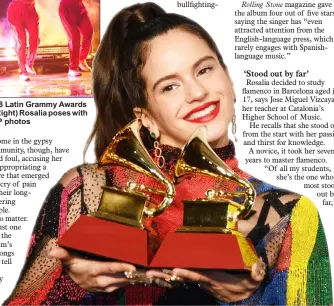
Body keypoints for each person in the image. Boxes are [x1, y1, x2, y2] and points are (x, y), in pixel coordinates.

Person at [5, 2, 332, 305]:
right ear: (144, 116)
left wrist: (246, 299)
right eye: (169, 86)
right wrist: (72, 286)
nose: (198, 92)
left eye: (204, 70)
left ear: (229, 79)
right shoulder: (84, 192)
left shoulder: (290, 216)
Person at [6, 0, 40, 81]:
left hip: (30, 9)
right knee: (21, 42)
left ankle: (29, 64)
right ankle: (23, 71)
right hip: (15, 9)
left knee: (35, 38)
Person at [58, 0, 93, 77]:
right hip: (66, 8)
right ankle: (72, 68)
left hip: (78, 7)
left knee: (88, 31)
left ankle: (81, 58)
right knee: (74, 36)